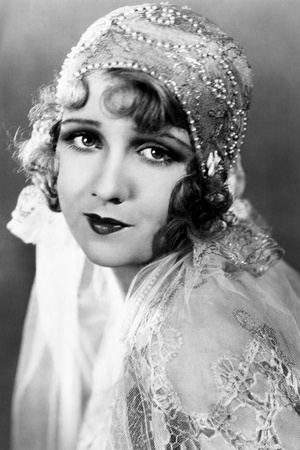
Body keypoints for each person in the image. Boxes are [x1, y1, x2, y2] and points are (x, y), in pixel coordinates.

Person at [7, 2, 300, 449]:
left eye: (156, 152)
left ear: (206, 178)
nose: (107, 187)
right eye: (85, 138)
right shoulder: (145, 301)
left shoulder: (196, 340)